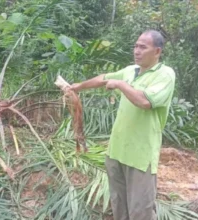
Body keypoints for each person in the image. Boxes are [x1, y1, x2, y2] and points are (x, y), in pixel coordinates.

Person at [66, 30, 176, 220]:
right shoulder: (130, 71)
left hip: (141, 157)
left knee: (140, 212)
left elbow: (144, 102)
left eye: (143, 47)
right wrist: (78, 86)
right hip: (116, 152)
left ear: (157, 51)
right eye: (135, 46)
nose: (137, 51)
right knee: (119, 208)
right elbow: (103, 78)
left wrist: (121, 85)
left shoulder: (165, 74)